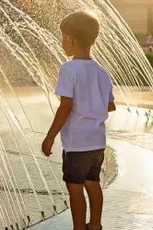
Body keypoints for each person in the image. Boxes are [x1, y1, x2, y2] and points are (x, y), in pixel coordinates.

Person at [42, 11, 116, 230]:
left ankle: (77, 228)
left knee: (75, 188)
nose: (62, 41)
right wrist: (93, 104)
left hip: (77, 143)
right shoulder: (102, 72)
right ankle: (95, 225)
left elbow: (66, 106)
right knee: (93, 183)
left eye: (63, 37)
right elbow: (110, 106)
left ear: (70, 40)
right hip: (97, 142)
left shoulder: (68, 69)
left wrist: (50, 136)